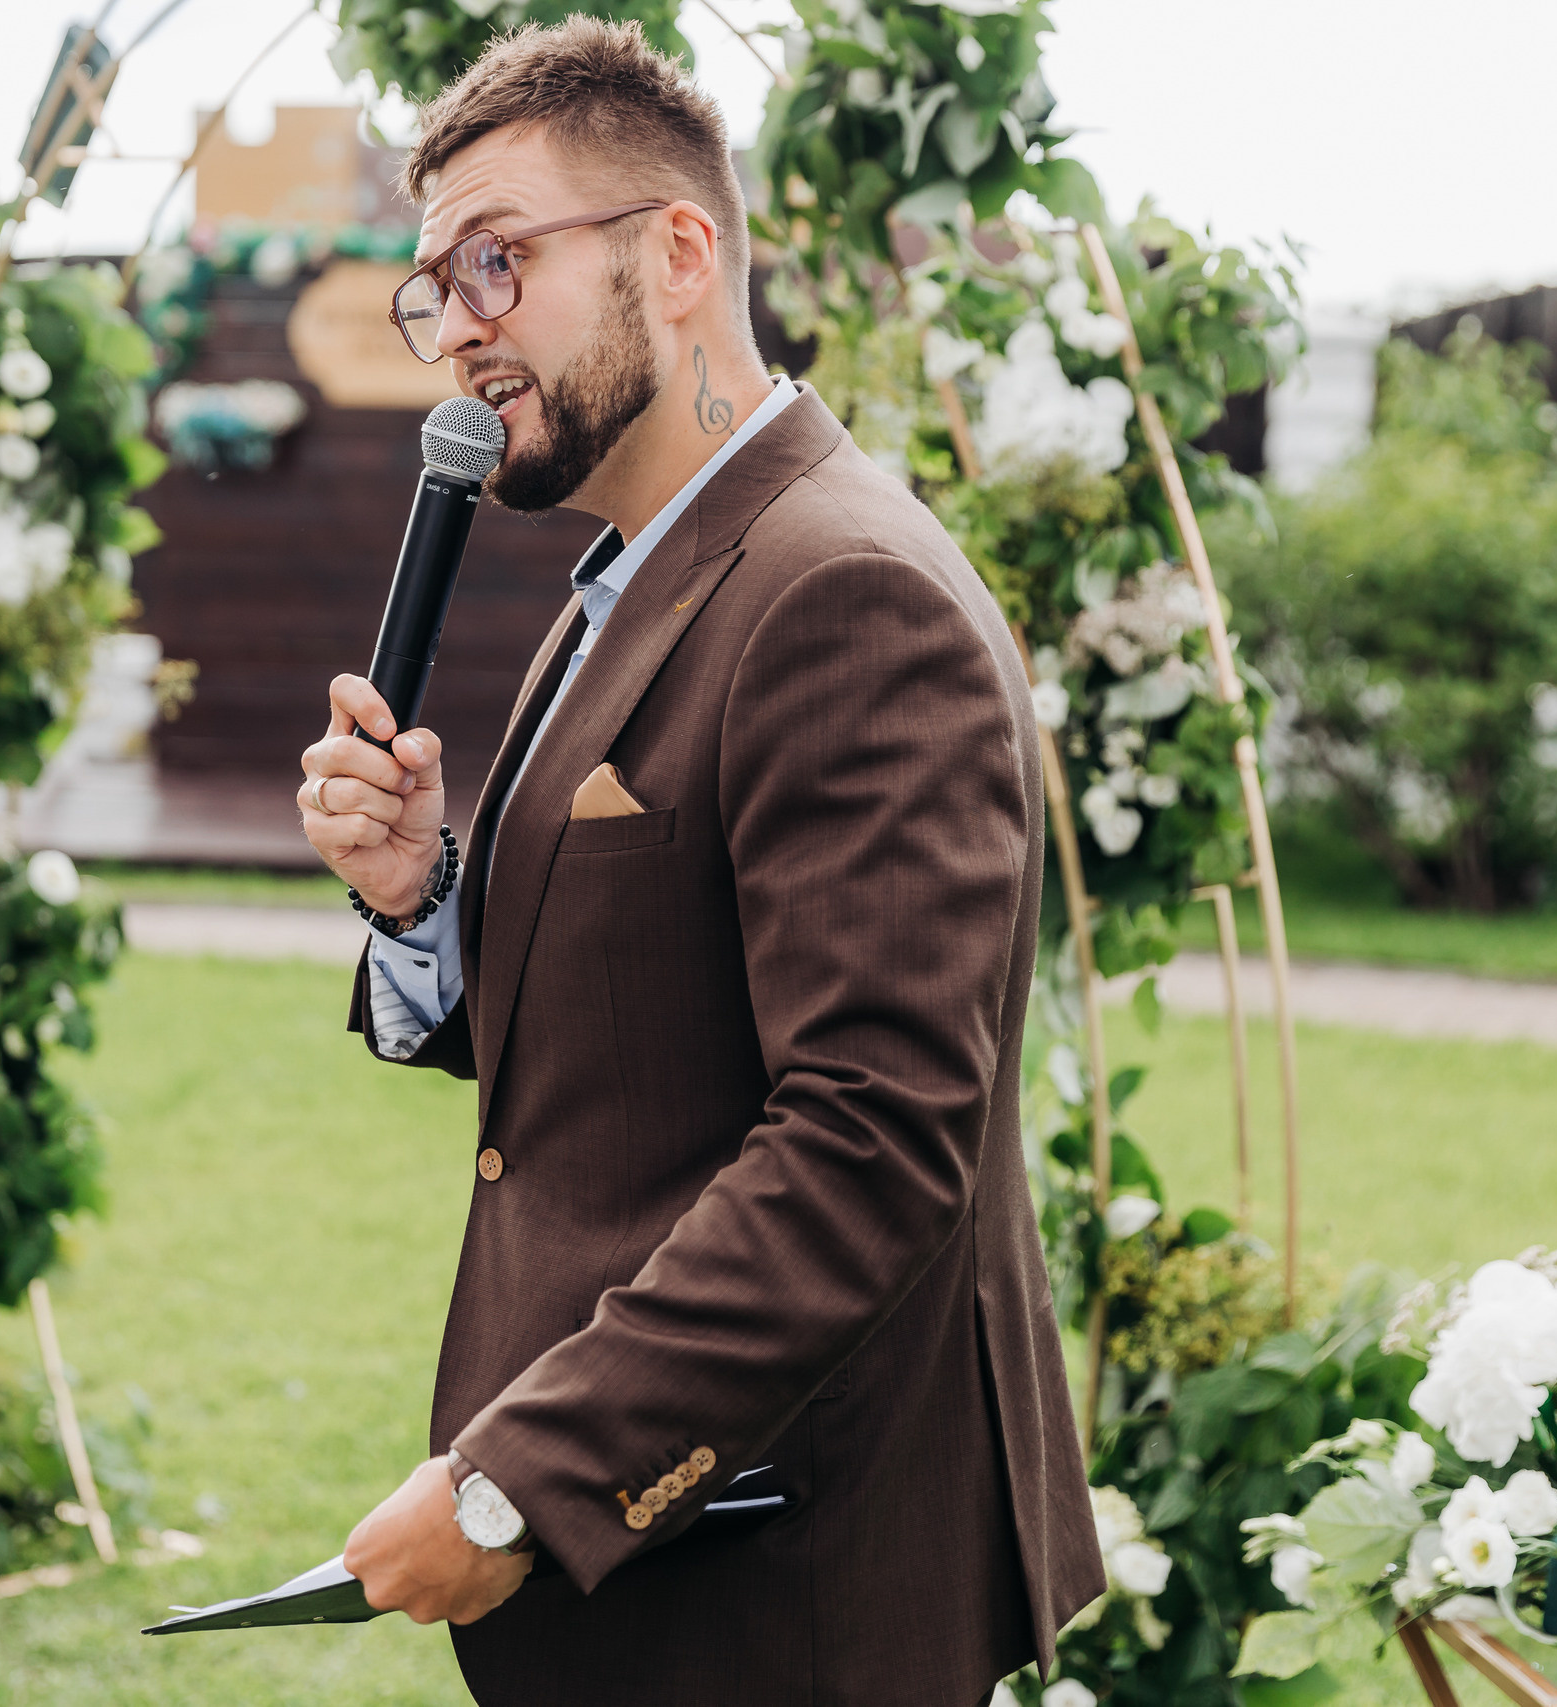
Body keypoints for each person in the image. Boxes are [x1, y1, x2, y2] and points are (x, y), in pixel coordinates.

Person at [296, 19, 1105, 1704]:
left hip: (782, 1591)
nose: (459, 331)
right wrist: (425, 899)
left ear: (679, 254)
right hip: (660, 1591)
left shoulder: (840, 592)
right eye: (434, 286)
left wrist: (521, 1483)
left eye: (498, 263)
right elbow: (623, 1032)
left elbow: (875, 1143)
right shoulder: (627, 586)